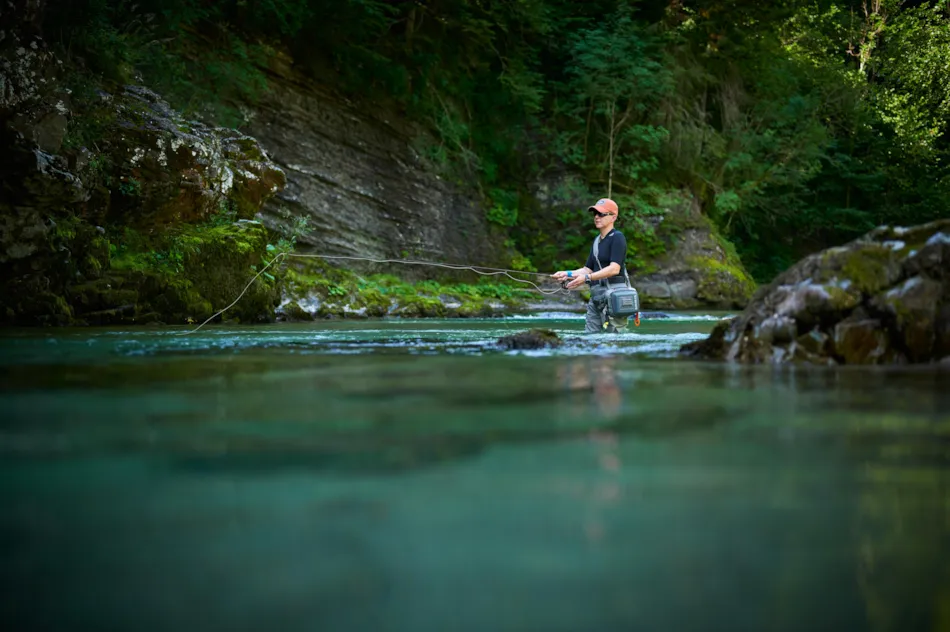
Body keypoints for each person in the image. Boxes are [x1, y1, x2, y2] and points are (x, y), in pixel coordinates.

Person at [551, 198, 630, 333]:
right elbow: (587, 269)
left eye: (601, 214)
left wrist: (587, 278)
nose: (597, 217)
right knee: (590, 337)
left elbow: (614, 269)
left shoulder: (618, 237)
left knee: (615, 340)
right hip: (597, 297)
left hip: (614, 298)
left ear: (613, 217)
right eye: (595, 214)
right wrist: (567, 274)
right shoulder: (596, 241)